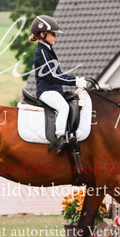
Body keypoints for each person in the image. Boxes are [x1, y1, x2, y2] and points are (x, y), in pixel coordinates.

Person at [30, 15, 87, 155]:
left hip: (54, 90)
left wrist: (76, 78)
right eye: (53, 34)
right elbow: (52, 76)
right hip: (46, 91)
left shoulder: (48, 50)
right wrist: (74, 82)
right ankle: (60, 137)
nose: (55, 36)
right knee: (63, 107)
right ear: (42, 34)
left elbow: (60, 74)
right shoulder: (41, 53)